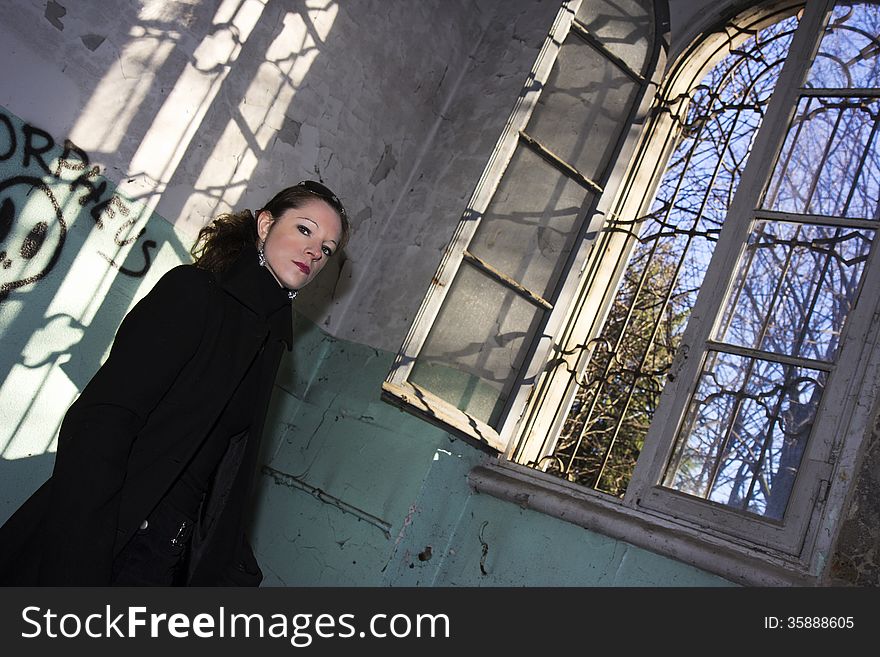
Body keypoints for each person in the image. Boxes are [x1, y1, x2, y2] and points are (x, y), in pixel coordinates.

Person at [0, 180, 349, 586]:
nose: (314, 251)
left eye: (327, 249)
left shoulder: (268, 340)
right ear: (265, 224)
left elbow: (221, 472)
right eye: (305, 230)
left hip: (164, 555)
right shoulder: (196, 293)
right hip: (105, 536)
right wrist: (83, 559)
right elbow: (101, 421)